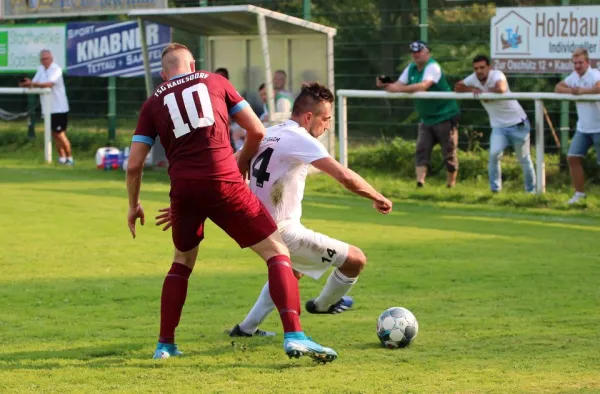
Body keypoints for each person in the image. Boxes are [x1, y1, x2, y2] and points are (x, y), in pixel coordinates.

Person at [126, 43, 337, 362]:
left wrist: (134, 204)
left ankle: (165, 345)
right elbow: (256, 130)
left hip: (183, 189)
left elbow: (133, 165)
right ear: (193, 64)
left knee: (181, 261)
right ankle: (295, 335)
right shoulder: (215, 81)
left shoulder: (152, 103)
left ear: (162, 73)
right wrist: (233, 168)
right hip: (224, 181)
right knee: (277, 252)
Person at [216, 83, 394, 338]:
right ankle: (323, 305)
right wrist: (377, 196)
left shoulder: (268, 132)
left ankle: (245, 329)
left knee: (292, 271)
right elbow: (343, 175)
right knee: (356, 260)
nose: (327, 125)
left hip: (259, 226)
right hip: (282, 230)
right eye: (326, 119)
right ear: (309, 117)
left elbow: (227, 168)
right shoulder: (300, 138)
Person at [376, 41, 460, 188]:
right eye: (413, 52)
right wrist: (387, 85)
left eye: (419, 51)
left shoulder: (432, 66)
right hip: (426, 118)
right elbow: (400, 85)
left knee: (449, 152)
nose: (416, 54)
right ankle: (420, 183)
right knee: (421, 149)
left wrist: (397, 89)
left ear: (428, 53)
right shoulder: (411, 68)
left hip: (445, 116)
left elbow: (423, 86)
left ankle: (450, 185)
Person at [455, 55, 535, 193]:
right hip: (498, 127)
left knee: (523, 158)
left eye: (482, 67)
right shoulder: (474, 78)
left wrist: (483, 93)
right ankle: (495, 191)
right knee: (494, 154)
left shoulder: (497, 74)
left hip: (518, 124)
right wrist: (472, 90)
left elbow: (501, 88)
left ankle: (532, 192)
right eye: (476, 69)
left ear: (489, 67)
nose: (479, 71)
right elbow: (457, 87)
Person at [555, 48, 600, 205]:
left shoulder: (594, 74)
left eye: (580, 62)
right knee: (573, 158)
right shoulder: (574, 76)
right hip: (584, 128)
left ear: (588, 62)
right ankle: (579, 194)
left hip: (599, 127)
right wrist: (572, 90)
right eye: (575, 63)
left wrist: (583, 92)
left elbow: (599, 86)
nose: (578, 66)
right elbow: (558, 88)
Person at [19, 49, 74, 165]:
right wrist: (27, 84)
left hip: (59, 108)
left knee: (60, 133)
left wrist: (32, 84)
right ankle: (62, 158)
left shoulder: (56, 69)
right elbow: (35, 84)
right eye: (42, 59)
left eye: (46, 59)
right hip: (47, 108)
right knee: (54, 134)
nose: (44, 61)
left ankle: (70, 158)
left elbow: (49, 84)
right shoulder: (40, 69)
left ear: (51, 58)